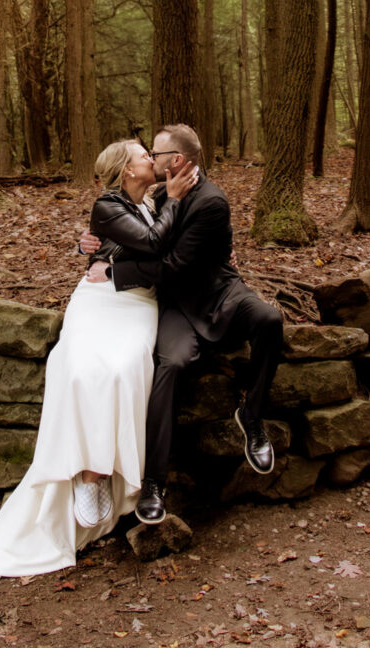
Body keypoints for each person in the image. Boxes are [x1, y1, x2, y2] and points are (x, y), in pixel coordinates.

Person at [0, 140, 197, 587]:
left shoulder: (151, 200)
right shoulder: (107, 204)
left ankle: (117, 473)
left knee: (125, 369)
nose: (152, 158)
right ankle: (86, 473)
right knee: (78, 368)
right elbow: (150, 241)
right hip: (99, 302)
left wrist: (93, 248)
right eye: (143, 156)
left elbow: (156, 245)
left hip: (138, 306)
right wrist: (169, 206)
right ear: (125, 170)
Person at [82, 124, 283, 525]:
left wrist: (117, 274)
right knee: (169, 366)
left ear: (175, 161)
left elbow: (171, 265)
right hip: (177, 305)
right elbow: (130, 235)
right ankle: (154, 482)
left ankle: (253, 416)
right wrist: (90, 248)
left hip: (218, 292)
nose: (150, 159)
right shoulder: (160, 195)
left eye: (154, 153)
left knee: (269, 318)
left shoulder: (211, 201)